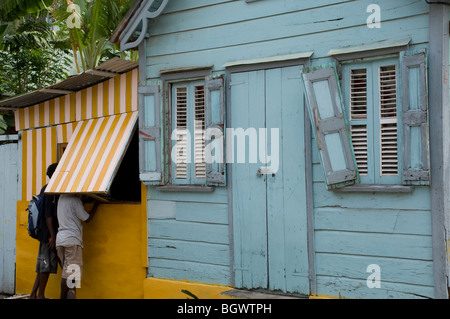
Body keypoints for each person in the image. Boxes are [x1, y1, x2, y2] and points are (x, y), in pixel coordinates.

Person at [56, 194, 99, 299]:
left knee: (67, 271)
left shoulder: (61, 198)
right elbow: (87, 218)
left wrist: (82, 200)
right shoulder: (75, 200)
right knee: (71, 272)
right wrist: (96, 205)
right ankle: (67, 294)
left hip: (60, 239)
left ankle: (71, 292)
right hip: (72, 240)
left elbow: (71, 209)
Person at [30, 163, 60, 299]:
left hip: (44, 233)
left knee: (43, 265)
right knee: (46, 266)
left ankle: (33, 295)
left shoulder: (45, 188)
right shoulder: (51, 191)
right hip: (49, 234)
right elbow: (48, 216)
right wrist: (53, 236)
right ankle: (40, 295)